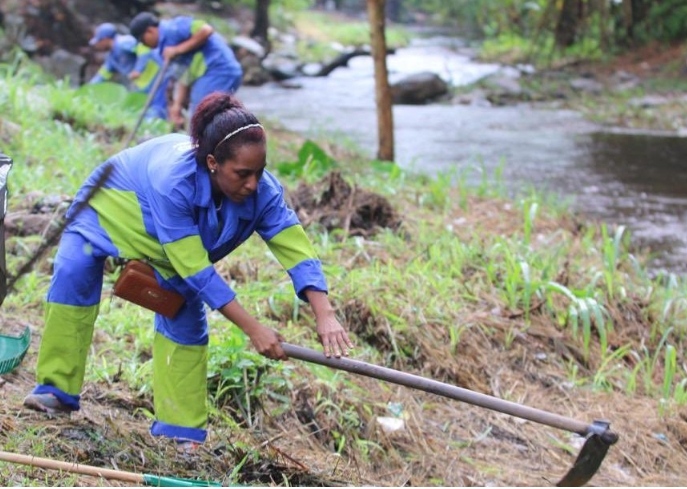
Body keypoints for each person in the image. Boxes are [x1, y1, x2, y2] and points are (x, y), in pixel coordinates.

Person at [23, 91, 354, 447]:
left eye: (260, 171)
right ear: (212, 162)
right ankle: (56, 390)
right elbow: (198, 271)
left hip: (176, 244)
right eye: (242, 173)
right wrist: (254, 329)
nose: (253, 184)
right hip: (110, 212)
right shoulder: (174, 181)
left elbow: (296, 250)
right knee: (73, 272)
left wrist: (325, 313)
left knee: (183, 314)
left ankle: (180, 432)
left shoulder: (263, 192)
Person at [129, 12, 244, 127]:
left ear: (150, 31)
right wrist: (177, 106)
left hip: (219, 69)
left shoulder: (173, 28)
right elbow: (184, 76)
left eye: (143, 40)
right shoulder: (163, 49)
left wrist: (177, 49)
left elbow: (206, 29)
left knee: (203, 113)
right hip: (207, 74)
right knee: (206, 115)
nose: (144, 45)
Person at [88, 22, 168, 120]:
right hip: (142, 85)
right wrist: (88, 89)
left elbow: (144, 49)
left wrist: (138, 70)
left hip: (156, 77)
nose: (97, 45)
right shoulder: (111, 58)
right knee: (144, 111)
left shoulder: (123, 42)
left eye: (98, 42)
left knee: (158, 109)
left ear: (105, 39)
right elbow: (102, 75)